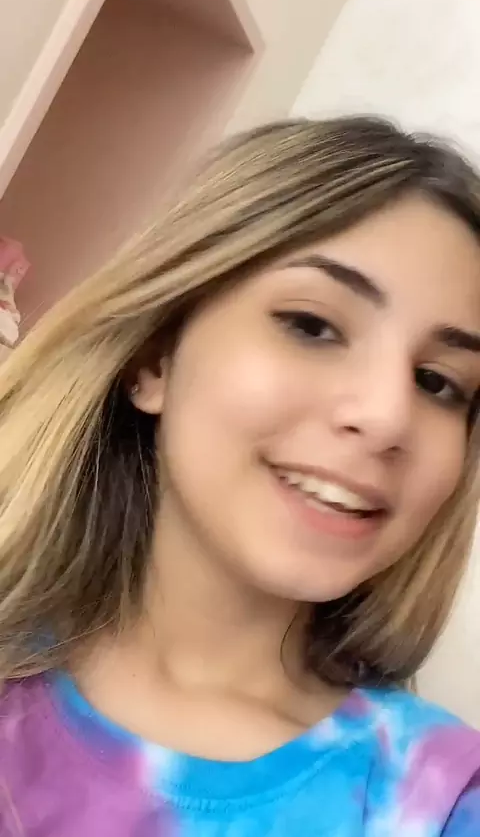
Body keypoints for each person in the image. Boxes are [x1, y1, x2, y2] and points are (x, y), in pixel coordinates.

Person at [0, 117, 480, 836]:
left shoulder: (442, 801)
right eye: (312, 326)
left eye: (439, 383)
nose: (387, 417)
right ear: (155, 358)